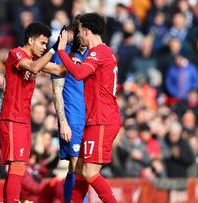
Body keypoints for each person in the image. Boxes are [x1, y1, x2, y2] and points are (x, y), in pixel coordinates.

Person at [0, 22, 67, 203]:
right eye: (43, 43)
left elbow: (60, 69)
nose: (45, 48)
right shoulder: (16, 54)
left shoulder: (36, 60)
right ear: (30, 40)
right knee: (18, 165)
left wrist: (71, 52)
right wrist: (53, 50)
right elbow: (34, 67)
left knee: (18, 166)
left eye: (46, 44)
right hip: (12, 117)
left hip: (22, 119)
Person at [57, 13, 121, 203]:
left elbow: (77, 74)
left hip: (102, 119)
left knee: (89, 172)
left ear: (86, 31)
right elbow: (86, 71)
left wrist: (62, 52)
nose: (78, 36)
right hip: (97, 118)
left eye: (79, 32)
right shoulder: (105, 52)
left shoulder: (98, 52)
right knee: (80, 170)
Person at [51, 15, 88, 203]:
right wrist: (63, 121)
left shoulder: (91, 55)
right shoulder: (62, 55)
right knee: (78, 166)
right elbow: (56, 91)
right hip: (72, 118)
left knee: (79, 168)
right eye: (80, 30)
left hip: (88, 118)